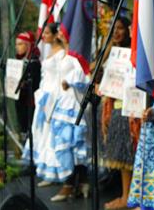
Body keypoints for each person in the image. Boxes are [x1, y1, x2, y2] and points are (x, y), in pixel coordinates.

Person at [99, 17, 139, 210]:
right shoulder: (109, 53)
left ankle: (128, 198)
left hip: (130, 108)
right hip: (113, 107)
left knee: (129, 157)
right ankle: (125, 196)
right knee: (122, 159)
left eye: (121, 28)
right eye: (113, 28)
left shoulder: (134, 52)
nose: (116, 32)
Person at [48, 30, 90, 201]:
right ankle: (78, 183)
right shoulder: (65, 54)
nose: (61, 34)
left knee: (72, 143)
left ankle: (72, 183)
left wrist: (70, 82)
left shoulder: (77, 55)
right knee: (66, 143)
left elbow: (85, 75)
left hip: (74, 101)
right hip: (63, 100)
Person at [23, 24, 65, 187]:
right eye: (43, 32)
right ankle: (44, 168)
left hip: (53, 96)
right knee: (41, 132)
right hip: (44, 95)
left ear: (56, 35)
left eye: (47, 33)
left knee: (50, 133)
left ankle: (53, 171)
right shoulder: (49, 51)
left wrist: (52, 97)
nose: (44, 35)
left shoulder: (61, 53)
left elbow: (60, 76)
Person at [14, 31, 41, 136]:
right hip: (21, 104)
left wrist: (24, 85)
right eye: (16, 44)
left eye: (20, 44)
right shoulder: (20, 62)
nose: (17, 47)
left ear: (28, 45)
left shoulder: (34, 63)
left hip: (30, 105)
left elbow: (35, 85)